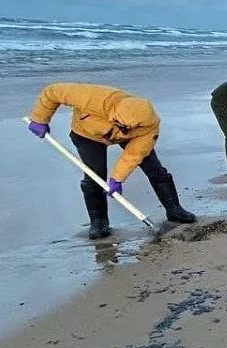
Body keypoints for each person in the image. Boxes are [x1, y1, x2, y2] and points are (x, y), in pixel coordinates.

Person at [28, 83, 197, 239]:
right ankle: (99, 221)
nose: (124, 128)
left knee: (155, 169)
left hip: (130, 139)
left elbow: (133, 155)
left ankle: (175, 210)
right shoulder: (93, 97)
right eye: (122, 125)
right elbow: (53, 92)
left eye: (129, 127)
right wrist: (40, 119)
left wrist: (117, 179)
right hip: (87, 134)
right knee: (95, 175)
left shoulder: (148, 126)